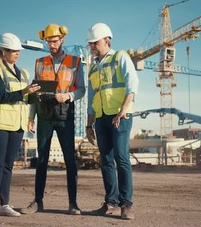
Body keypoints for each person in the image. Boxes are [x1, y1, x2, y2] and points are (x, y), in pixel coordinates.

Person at [21, 24, 86, 215]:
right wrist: (31, 117)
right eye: (48, 42)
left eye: (54, 41)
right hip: (44, 115)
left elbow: (81, 89)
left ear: (62, 39)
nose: (51, 45)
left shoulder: (75, 61)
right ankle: (37, 202)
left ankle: (73, 204)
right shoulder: (40, 62)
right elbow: (35, 91)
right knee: (42, 159)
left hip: (65, 116)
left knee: (70, 160)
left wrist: (68, 96)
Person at [85, 23, 139, 220]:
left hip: (121, 116)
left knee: (121, 158)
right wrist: (89, 125)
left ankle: (126, 204)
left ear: (106, 40)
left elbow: (132, 86)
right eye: (90, 42)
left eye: (95, 42)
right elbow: (91, 98)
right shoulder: (92, 68)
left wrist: (122, 111)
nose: (91, 45)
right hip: (101, 118)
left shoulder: (120, 57)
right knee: (106, 160)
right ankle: (111, 203)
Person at [0, 32, 40, 219]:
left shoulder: (24, 73)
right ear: (2, 51)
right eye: (12, 50)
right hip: (0, 123)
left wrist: (37, 92)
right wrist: (25, 90)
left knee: (9, 165)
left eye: (18, 50)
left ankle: (5, 205)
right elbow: (1, 96)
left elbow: (28, 98)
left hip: (18, 124)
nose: (17, 53)